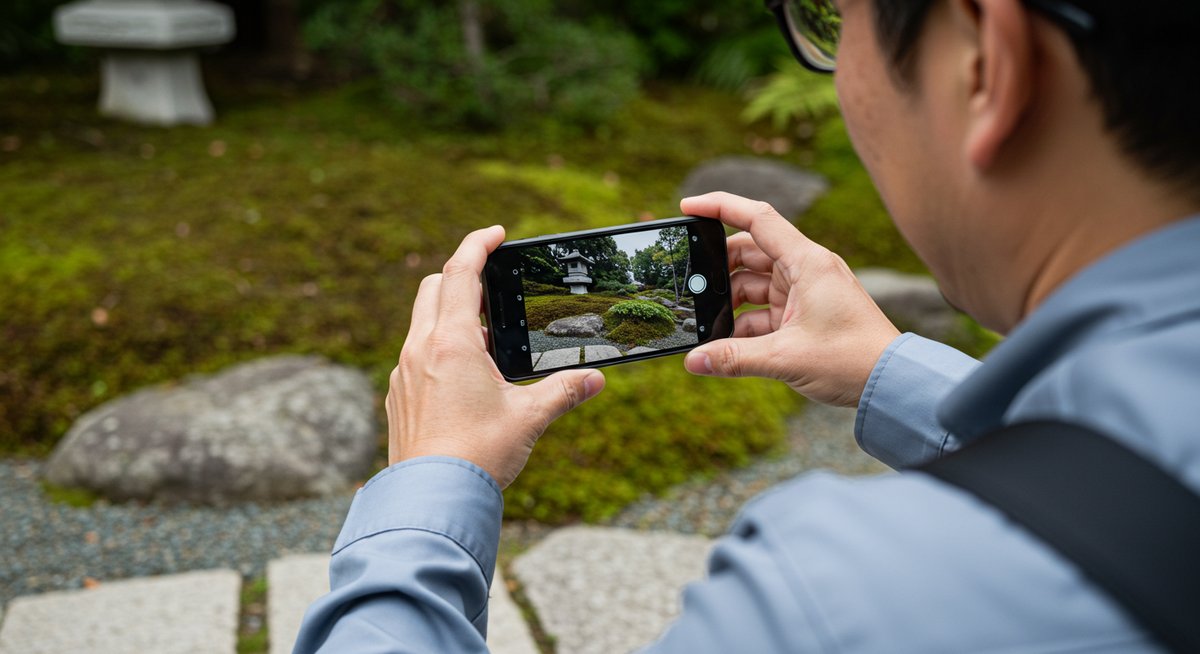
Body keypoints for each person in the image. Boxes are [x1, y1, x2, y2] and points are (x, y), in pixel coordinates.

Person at [293, 0, 1200, 651]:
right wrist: (890, 370)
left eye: (828, 20)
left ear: (983, 61)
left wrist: (425, 494)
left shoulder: (833, 603)